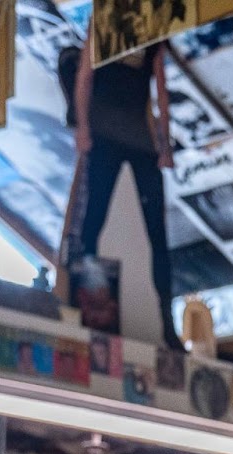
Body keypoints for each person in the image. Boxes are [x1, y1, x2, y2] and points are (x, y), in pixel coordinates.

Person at [68, 35, 185, 351]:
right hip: (105, 136)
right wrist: (82, 128)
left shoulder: (152, 34)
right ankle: (83, 307)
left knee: (157, 235)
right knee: (93, 222)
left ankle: (168, 325)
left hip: (139, 141)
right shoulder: (104, 22)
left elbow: (160, 93)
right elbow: (84, 76)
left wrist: (164, 144)